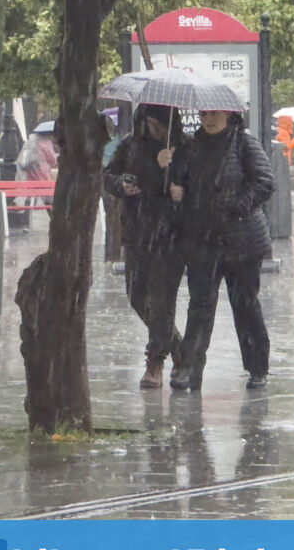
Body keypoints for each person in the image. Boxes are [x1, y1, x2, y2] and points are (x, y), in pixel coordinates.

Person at [168, 109, 275, 391]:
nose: (209, 119)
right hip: (202, 241)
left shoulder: (244, 143)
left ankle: (257, 367)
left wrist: (236, 207)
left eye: (215, 114)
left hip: (242, 241)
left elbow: (265, 182)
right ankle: (190, 368)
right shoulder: (190, 147)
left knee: (245, 304)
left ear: (229, 114)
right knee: (200, 306)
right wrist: (174, 184)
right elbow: (177, 183)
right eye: (204, 114)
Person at [103, 104, 187, 388]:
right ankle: (181, 350)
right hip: (137, 232)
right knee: (137, 296)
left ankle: (155, 361)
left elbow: (192, 183)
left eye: (159, 126)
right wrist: (121, 184)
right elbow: (109, 174)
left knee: (163, 301)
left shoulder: (184, 147)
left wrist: (170, 170)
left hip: (171, 235)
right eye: (149, 124)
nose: (154, 131)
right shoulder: (130, 144)